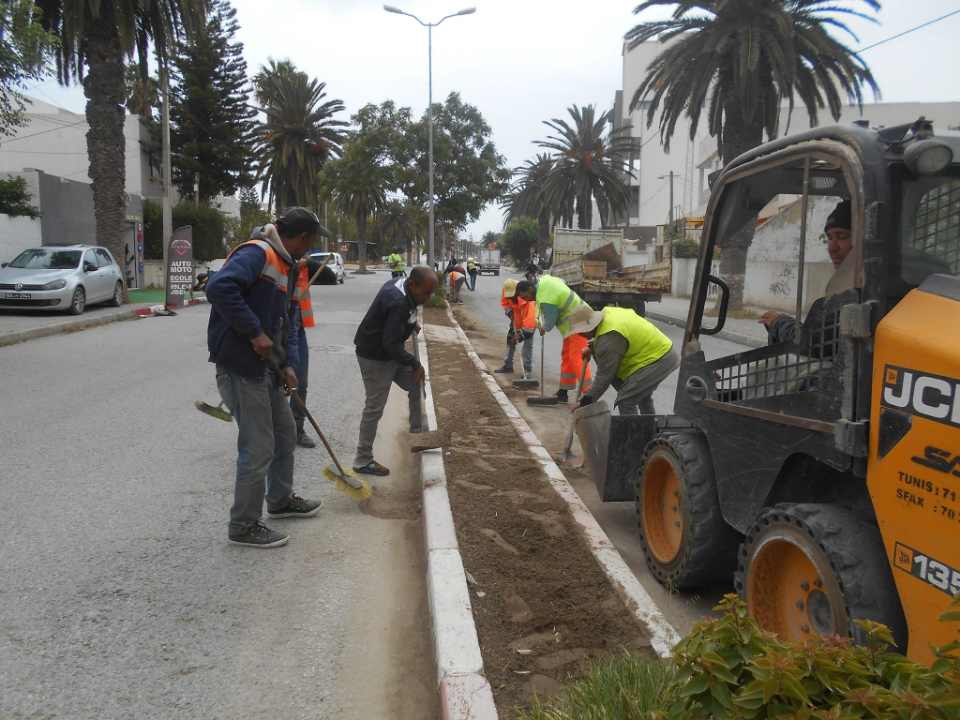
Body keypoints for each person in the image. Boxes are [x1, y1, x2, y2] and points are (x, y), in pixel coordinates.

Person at [206, 207, 324, 549]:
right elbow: (220, 288)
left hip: (267, 368)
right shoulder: (258, 253)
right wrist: (255, 333)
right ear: (302, 238)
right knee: (257, 448)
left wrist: (287, 363)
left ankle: (280, 500)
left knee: (285, 433)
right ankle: (243, 525)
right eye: (312, 241)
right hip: (242, 368)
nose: (311, 247)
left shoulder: (287, 265)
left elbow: (285, 320)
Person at [353, 266, 438, 476]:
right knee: (374, 407)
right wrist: (415, 364)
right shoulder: (397, 301)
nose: (428, 298)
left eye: (431, 292)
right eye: (426, 293)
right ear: (412, 284)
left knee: (415, 384)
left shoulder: (402, 285)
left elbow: (401, 316)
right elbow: (390, 344)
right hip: (374, 356)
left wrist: (412, 323)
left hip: (389, 352)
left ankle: (417, 435)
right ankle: (362, 460)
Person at [759, 199, 853, 356]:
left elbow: (813, 343)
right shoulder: (848, 286)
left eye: (842, 236)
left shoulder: (857, 295)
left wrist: (779, 323)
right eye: (829, 238)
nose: (832, 248)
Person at [568, 304, 679, 415]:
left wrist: (585, 402)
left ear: (589, 326)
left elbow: (604, 377)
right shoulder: (607, 313)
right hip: (659, 351)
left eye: (581, 332)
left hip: (659, 358)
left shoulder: (609, 337)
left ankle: (632, 431)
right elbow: (615, 338)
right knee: (641, 395)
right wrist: (592, 346)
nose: (580, 335)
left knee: (626, 400)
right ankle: (649, 429)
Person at [515, 276, 593, 402]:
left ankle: (590, 395)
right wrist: (539, 321)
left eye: (525, 296)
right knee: (567, 356)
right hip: (573, 324)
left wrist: (543, 328)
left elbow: (550, 322)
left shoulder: (546, 296)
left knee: (576, 358)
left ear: (530, 289)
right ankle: (563, 391)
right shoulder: (543, 285)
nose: (526, 300)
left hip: (579, 322)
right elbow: (541, 310)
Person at [289, 255, 326, 449]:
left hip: (298, 328)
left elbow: (328, 275)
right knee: (278, 383)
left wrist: (306, 263)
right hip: (277, 329)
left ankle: (297, 429)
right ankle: (274, 429)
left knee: (300, 383)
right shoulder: (272, 264)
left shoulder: (299, 265)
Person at [495, 278, 536, 376]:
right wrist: (509, 312)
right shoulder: (506, 290)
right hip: (515, 320)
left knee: (527, 346)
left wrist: (521, 334)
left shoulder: (526, 297)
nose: (512, 297)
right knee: (510, 340)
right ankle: (508, 365)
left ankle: (527, 372)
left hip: (528, 321)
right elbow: (505, 304)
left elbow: (530, 319)